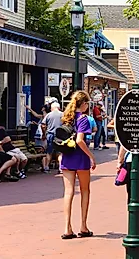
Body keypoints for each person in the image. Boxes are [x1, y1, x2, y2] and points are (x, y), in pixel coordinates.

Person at [59, 91, 97, 240]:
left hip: (67, 156)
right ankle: (83, 225)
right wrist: (91, 156)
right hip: (80, 157)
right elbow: (80, 140)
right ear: (84, 104)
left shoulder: (67, 117)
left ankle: (67, 227)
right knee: (85, 190)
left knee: (68, 192)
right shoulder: (83, 119)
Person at [41, 101, 64, 173]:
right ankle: (60, 167)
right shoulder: (63, 115)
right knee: (60, 152)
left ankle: (47, 167)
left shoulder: (48, 115)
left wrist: (44, 133)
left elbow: (43, 125)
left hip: (50, 134)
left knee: (49, 151)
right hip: (60, 135)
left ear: (52, 108)